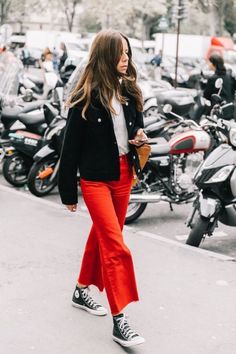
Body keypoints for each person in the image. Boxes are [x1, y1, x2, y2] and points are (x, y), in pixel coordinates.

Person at [58, 29, 147, 348]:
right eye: (120, 53)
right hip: (94, 180)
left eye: (128, 53)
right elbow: (69, 149)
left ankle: (81, 290)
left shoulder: (130, 91)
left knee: (102, 236)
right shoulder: (86, 96)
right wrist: (68, 191)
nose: (126, 58)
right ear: (106, 57)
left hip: (124, 175)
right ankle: (119, 319)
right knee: (114, 244)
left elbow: (136, 126)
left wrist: (138, 135)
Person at [204, 54, 236, 119]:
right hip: (230, 109)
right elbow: (233, 91)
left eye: (209, 63)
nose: (208, 65)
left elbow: (207, 95)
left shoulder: (213, 78)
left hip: (218, 111)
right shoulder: (229, 77)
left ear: (214, 64)